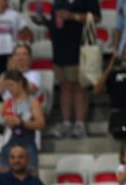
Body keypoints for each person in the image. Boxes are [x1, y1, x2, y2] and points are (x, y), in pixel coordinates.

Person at [48, 0, 102, 139]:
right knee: (64, 86)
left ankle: (79, 123)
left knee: (79, 86)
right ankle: (66, 122)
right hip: (60, 47)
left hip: (80, 46)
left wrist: (73, 16)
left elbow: (95, 17)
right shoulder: (58, 1)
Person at [0, 71, 45, 172]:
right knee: (0, 171)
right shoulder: (7, 102)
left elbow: (41, 123)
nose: (9, 89)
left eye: (11, 85)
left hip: (27, 141)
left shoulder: (32, 101)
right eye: (7, 86)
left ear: (20, 83)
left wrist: (22, 122)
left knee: (31, 174)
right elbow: (0, 125)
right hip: (12, 140)